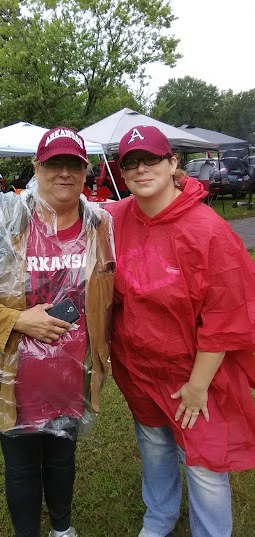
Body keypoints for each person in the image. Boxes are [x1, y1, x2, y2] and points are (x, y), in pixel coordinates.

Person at [0, 127, 115, 537]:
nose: (63, 173)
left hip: (72, 376)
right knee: (21, 469)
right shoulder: (3, 221)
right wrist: (19, 320)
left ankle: (62, 528)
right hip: (14, 379)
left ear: (86, 170)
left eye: (73, 163)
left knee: (62, 459)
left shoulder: (99, 225)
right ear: (36, 167)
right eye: (53, 163)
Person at [105, 125, 255, 537]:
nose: (140, 169)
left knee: (204, 463)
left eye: (150, 159)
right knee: (154, 445)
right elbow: (62, 220)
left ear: (173, 164)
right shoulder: (114, 219)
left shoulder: (208, 231)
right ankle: (159, 518)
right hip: (139, 368)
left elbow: (227, 316)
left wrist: (197, 385)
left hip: (196, 374)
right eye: (130, 163)